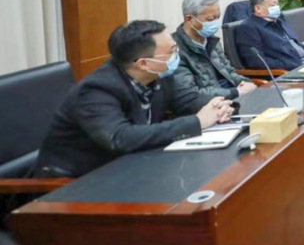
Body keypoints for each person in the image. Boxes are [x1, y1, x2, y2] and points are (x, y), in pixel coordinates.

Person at [34, 20, 232, 178]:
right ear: (143, 63)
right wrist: (197, 122)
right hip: (77, 183)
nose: (176, 56)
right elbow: (121, 138)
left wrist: (219, 108)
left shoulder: (158, 74)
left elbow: (187, 101)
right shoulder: (96, 90)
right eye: (172, 51)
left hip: (133, 166)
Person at [173, 0, 256, 102]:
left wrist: (245, 83)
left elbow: (229, 71)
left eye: (217, 17)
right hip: (208, 104)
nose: (215, 23)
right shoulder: (174, 49)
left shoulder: (212, 40)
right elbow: (191, 93)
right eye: (210, 19)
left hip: (231, 97)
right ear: (189, 19)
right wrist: (236, 92)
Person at [234, 0, 304, 71]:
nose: (277, 8)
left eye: (277, 4)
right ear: (258, 8)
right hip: (289, 71)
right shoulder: (248, 28)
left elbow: (294, 44)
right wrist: (291, 65)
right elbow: (257, 62)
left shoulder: (278, 21)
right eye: (273, 5)